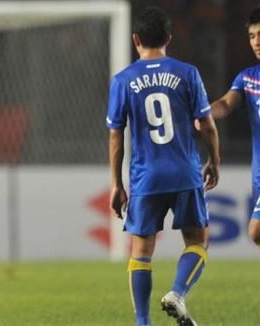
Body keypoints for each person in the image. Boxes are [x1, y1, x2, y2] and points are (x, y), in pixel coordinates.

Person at [106, 7, 220, 326]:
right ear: (169, 38)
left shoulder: (122, 81)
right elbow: (208, 125)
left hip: (146, 177)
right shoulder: (187, 73)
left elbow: (116, 137)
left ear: (135, 39)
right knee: (198, 241)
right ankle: (178, 293)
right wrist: (214, 161)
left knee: (141, 250)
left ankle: (143, 322)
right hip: (185, 171)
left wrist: (116, 183)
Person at [209, 6, 260, 251]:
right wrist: (205, 112)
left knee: (255, 230)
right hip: (258, 172)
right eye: (252, 36)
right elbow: (226, 104)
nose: (256, 42)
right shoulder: (248, 78)